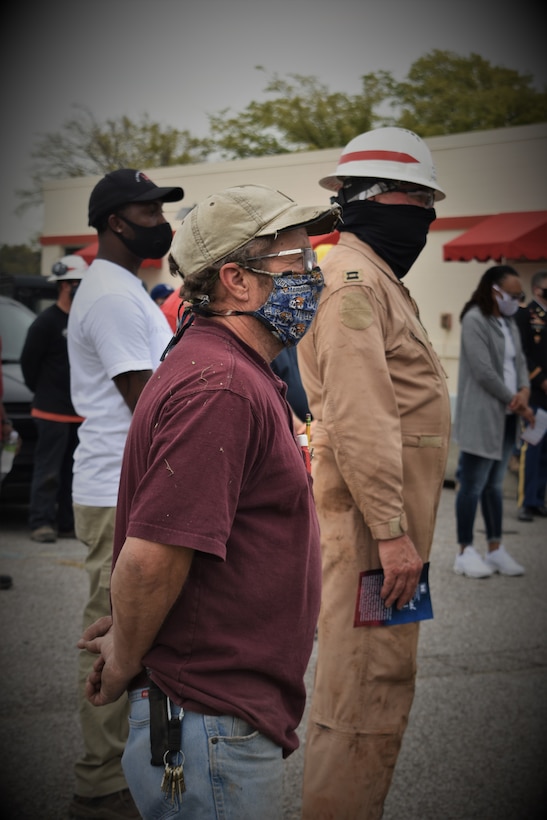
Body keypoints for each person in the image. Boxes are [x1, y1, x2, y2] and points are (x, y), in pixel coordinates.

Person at [77, 183, 341, 819]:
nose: (315, 278)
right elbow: (152, 558)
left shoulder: (230, 368)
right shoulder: (220, 386)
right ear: (237, 281)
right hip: (206, 721)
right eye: (297, 263)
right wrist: (124, 661)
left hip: (214, 715)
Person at [296, 126, 452, 819]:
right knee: (361, 694)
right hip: (370, 530)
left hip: (380, 524)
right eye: (413, 197)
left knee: (376, 686)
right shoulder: (354, 284)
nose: (425, 214)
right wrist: (390, 534)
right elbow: (360, 422)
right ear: (365, 201)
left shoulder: (371, 278)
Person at [67, 168, 184, 819]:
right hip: (118, 489)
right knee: (122, 635)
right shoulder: (111, 296)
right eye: (147, 210)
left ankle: (125, 774)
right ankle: (100, 785)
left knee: (140, 632)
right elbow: (146, 405)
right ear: (115, 220)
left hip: (125, 485)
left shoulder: (123, 288)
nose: (158, 221)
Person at [453, 265, 534, 579]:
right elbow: (484, 371)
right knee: (472, 485)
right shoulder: (475, 319)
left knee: (494, 486)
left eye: (519, 295)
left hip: (508, 416)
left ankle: (496, 548)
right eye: (512, 295)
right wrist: (515, 399)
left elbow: (521, 361)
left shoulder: (509, 321)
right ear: (494, 291)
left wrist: (524, 390)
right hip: (483, 414)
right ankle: (464, 550)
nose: (516, 300)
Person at [20, 255, 87, 543]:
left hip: (79, 411)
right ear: (64, 285)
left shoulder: (84, 321)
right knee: (48, 471)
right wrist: (45, 393)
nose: (81, 288)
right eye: (77, 284)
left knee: (72, 473)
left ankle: (66, 523)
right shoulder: (45, 323)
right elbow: (29, 365)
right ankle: (41, 522)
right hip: (51, 411)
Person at [515, 270, 547, 520]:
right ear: (537, 289)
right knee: (533, 446)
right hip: (536, 393)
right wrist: (540, 380)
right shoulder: (526, 315)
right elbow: (522, 353)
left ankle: (538, 499)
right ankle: (527, 502)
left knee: (545, 450)